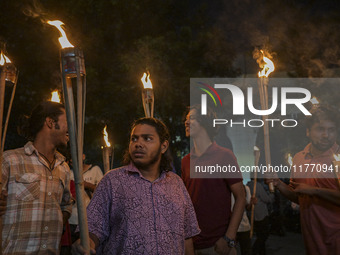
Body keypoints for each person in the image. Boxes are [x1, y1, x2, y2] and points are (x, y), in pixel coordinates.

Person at [72, 117, 200, 255]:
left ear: (163, 146)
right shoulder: (112, 181)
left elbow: (186, 236)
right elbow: (92, 228)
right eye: (134, 139)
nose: (138, 143)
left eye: (147, 138)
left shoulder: (176, 184)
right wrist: (85, 244)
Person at [0, 101, 74, 254]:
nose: (71, 129)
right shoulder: (10, 160)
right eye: (67, 122)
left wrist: (57, 222)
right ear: (50, 122)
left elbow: (66, 205)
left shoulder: (64, 168)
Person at [267, 105, 340, 255]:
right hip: (313, 241)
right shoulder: (299, 158)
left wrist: (313, 190)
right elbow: (299, 196)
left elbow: (308, 191)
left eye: (331, 129)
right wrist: (279, 183)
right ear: (308, 131)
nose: (326, 135)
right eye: (320, 129)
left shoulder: (338, 158)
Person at [181, 105, 246, 255]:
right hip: (191, 245)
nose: (186, 122)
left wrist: (228, 238)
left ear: (205, 122)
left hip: (217, 246)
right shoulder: (186, 161)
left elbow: (241, 197)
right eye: (185, 119)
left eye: (191, 118)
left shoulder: (224, 156)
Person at [69, 154, 104, 243]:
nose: (72, 160)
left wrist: (87, 185)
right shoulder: (69, 173)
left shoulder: (94, 170)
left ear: (83, 156)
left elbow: (103, 192)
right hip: (72, 219)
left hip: (89, 219)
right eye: (70, 159)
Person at [247, 179, 274, 255]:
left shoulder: (248, 185)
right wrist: (272, 194)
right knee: (263, 235)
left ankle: (262, 252)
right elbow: (266, 199)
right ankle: (254, 250)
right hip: (261, 214)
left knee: (260, 235)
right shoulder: (257, 186)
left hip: (254, 214)